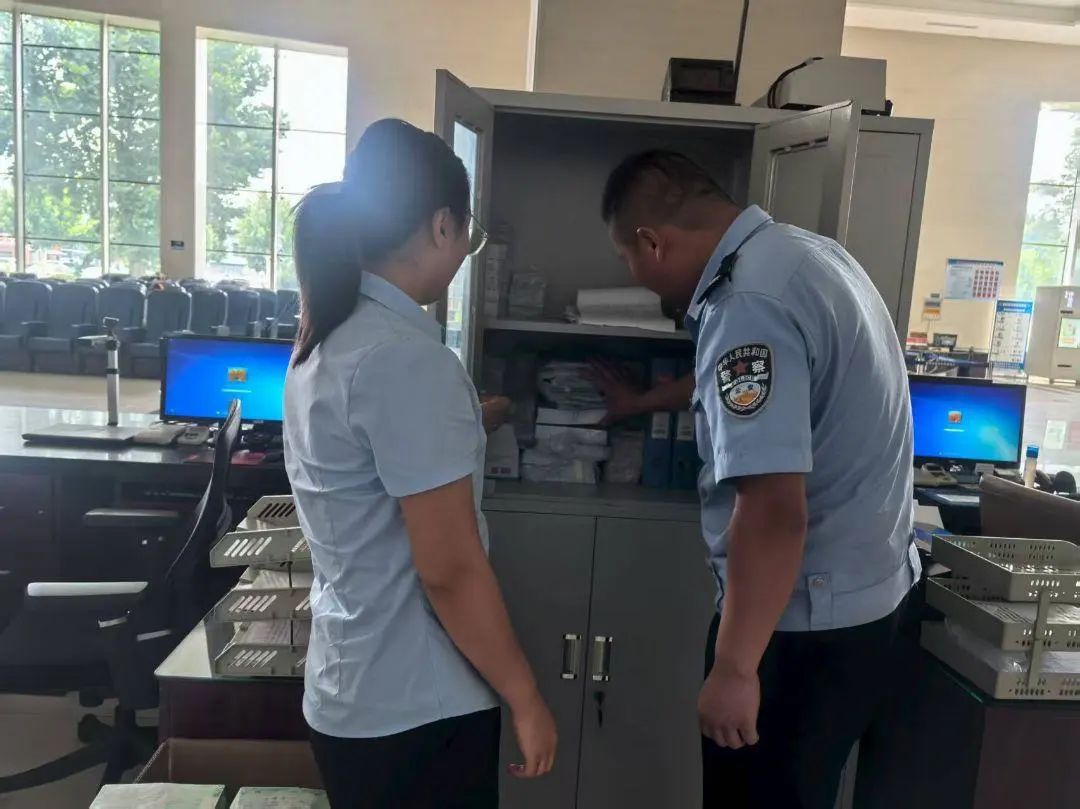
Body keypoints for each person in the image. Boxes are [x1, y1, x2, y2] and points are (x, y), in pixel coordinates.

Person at [599, 150, 920, 809]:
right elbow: (752, 383)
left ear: (652, 242)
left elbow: (773, 509)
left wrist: (736, 668)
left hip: (798, 626)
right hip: (867, 603)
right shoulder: (807, 257)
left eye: (627, 258)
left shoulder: (747, 303)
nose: (635, 276)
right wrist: (643, 403)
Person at [283, 118, 557, 809]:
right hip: (416, 705)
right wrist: (525, 696)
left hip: (352, 689)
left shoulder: (330, 335)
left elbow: (371, 464)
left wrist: (467, 421)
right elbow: (450, 570)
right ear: (441, 225)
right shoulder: (406, 360)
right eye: (468, 234)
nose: (465, 250)